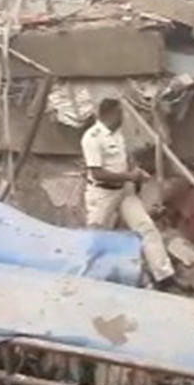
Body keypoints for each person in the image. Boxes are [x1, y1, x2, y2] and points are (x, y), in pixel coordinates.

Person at [81, 98, 175, 287]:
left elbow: (125, 160)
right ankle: (87, 278)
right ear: (113, 114)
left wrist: (136, 172)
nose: (123, 117)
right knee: (96, 237)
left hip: (125, 191)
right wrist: (130, 176)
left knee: (146, 227)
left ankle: (164, 275)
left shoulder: (117, 135)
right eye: (121, 113)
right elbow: (97, 173)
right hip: (102, 194)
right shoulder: (92, 138)